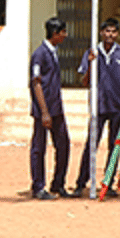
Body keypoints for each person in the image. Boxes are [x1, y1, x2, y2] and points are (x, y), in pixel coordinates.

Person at [72, 18, 120, 198]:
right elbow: (84, 81)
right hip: (98, 106)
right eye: (107, 31)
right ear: (101, 33)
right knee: (91, 145)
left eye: (114, 32)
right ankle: (80, 183)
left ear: (118, 34)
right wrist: (91, 63)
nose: (110, 35)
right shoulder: (92, 52)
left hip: (117, 106)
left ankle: (109, 182)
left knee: (114, 146)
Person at [29, 17, 71, 200]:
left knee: (63, 145)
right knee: (39, 148)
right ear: (55, 34)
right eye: (63, 32)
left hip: (56, 108)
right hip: (44, 110)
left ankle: (58, 183)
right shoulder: (40, 54)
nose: (65, 36)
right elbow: (36, 83)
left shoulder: (53, 52)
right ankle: (38, 186)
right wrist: (44, 111)